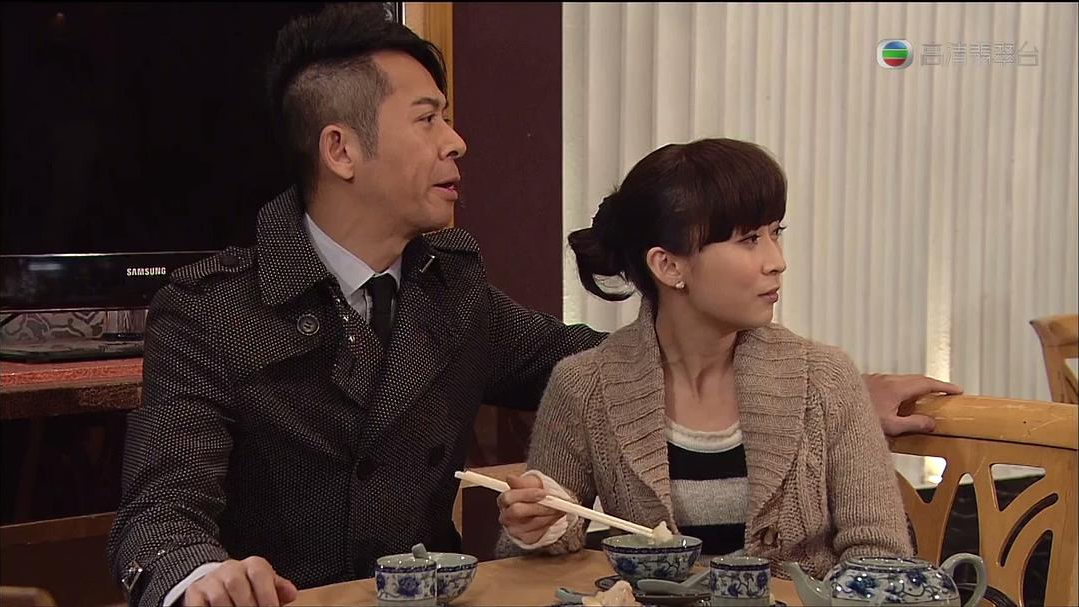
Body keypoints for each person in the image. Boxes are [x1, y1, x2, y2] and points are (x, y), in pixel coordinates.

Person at [105, 5, 957, 606]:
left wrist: (817, 384)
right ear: (341, 148)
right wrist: (202, 576)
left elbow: (594, 360)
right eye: (428, 119)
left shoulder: (449, 289)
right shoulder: (209, 311)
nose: (458, 141)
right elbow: (159, 513)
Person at [495, 138, 920, 577]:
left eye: (776, 233)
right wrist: (540, 526)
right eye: (749, 239)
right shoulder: (584, 385)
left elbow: (881, 555)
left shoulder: (826, 378)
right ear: (668, 266)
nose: (777, 261)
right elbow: (532, 555)